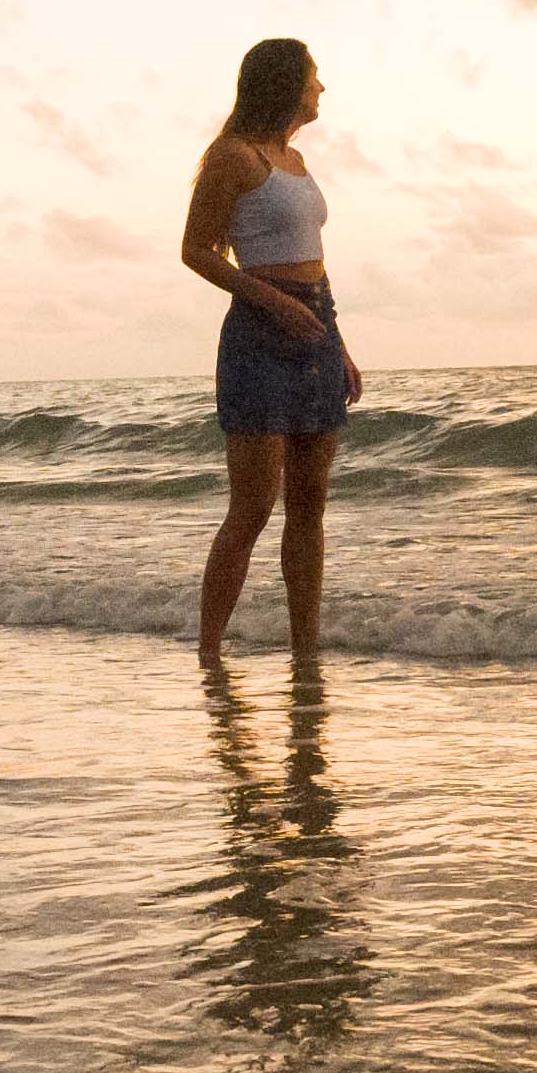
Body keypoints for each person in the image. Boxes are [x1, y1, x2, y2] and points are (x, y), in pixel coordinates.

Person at [184, 36, 350, 659]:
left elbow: (315, 261)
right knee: (253, 506)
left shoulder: (297, 163)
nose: (322, 87)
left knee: (310, 506)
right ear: (284, 83)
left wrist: (341, 343)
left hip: (318, 329)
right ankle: (209, 652)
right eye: (314, 75)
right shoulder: (233, 156)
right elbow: (196, 249)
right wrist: (274, 301)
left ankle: (306, 651)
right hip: (259, 336)